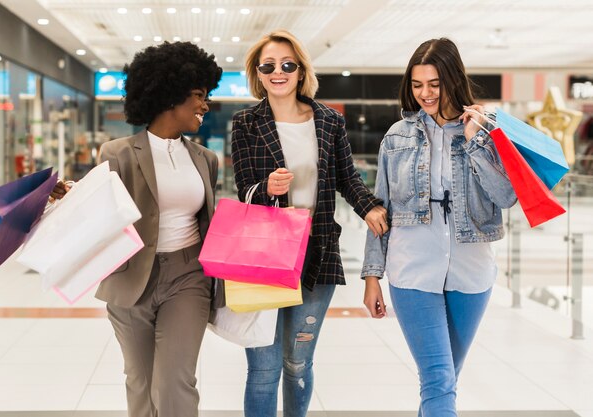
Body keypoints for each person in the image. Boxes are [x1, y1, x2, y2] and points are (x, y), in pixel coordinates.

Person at [52, 41, 222, 417]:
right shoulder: (118, 152)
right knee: (140, 381)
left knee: (174, 379)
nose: (205, 105)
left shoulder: (205, 160)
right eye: (198, 95)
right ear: (169, 95)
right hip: (132, 276)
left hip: (188, 275)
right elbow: (99, 199)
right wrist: (66, 192)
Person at [230, 29, 388, 417]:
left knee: (298, 363)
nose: (278, 72)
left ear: (301, 71)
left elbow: (348, 178)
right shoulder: (246, 123)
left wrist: (368, 207)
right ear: (258, 73)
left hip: (316, 254)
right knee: (264, 369)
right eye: (269, 66)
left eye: (288, 64)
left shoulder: (328, 121)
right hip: (264, 258)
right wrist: (266, 188)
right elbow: (243, 191)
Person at [361, 38, 517, 416]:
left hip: (471, 273)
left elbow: (507, 196)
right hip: (411, 271)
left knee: (445, 379)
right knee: (438, 378)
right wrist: (371, 276)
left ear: (453, 79)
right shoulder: (396, 137)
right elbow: (380, 207)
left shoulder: (485, 128)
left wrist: (476, 142)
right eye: (417, 85)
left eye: (434, 84)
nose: (426, 94)